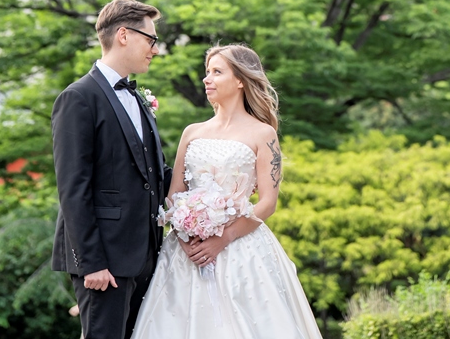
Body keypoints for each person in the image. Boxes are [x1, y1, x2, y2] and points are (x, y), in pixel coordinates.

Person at [131, 44, 322, 339]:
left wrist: (224, 238)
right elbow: (173, 196)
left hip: (241, 248)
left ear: (241, 80)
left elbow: (268, 203)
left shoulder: (263, 134)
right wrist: (185, 238)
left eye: (217, 72)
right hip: (186, 251)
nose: (206, 79)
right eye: (207, 71)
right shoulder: (192, 132)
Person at [51, 0, 172, 339]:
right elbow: (73, 188)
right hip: (103, 263)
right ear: (123, 35)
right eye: (151, 39)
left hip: (146, 255)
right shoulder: (78, 97)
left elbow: (155, 174)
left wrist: (211, 185)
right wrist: (92, 263)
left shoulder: (138, 98)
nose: (155, 49)